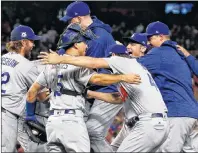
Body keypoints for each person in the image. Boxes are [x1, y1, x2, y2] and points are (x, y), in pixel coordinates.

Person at [28, 24, 141, 152]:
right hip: (72, 122)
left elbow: (32, 93)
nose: (87, 45)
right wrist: (123, 77)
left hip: (52, 124)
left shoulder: (50, 66)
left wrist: (30, 115)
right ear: (76, 44)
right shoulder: (78, 65)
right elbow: (98, 79)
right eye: (85, 42)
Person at [38, 43, 170, 152]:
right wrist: (88, 93)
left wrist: (61, 59)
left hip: (148, 124)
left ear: (112, 56)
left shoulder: (121, 61)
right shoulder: (132, 69)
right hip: (156, 124)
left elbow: (93, 63)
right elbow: (117, 99)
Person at [60, 2, 122, 152]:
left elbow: (88, 68)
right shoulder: (87, 33)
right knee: (79, 135)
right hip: (93, 91)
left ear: (78, 18)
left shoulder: (97, 37)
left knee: (92, 134)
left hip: (107, 89)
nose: (69, 23)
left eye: (70, 20)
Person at [137, 21, 198, 152]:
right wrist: (188, 55)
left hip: (176, 113)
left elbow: (133, 67)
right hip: (192, 114)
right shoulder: (181, 53)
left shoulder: (159, 53)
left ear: (161, 37)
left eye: (150, 38)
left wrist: (123, 54)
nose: (148, 43)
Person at [1, 25, 48, 152]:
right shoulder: (26, 65)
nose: (33, 45)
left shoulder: (2, 59)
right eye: (31, 41)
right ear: (23, 42)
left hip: (11, 113)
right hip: (9, 114)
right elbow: (43, 97)